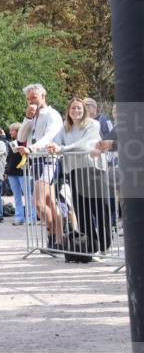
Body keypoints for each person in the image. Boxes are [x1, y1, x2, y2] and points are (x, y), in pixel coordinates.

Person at [48, 98, 110, 254]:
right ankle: (90, 246)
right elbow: (55, 141)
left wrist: (61, 149)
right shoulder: (65, 127)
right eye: (73, 108)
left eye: (79, 108)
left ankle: (105, 245)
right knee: (82, 211)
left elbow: (85, 144)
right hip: (75, 171)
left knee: (100, 209)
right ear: (68, 111)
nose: (76, 111)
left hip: (93, 169)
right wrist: (52, 146)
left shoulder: (93, 125)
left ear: (84, 110)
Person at [17, 83, 65, 247]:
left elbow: (49, 136)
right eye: (29, 99)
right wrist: (28, 118)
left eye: (34, 98)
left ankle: (55, 236)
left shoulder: (52, 114)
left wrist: (32, 148)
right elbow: (21, 136)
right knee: (50, 202)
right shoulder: (34, 116)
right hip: (35, 160)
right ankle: (57, 239)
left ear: (43, 96)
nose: (31, 102)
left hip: (48, 159)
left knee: (38, 203)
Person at [5, 123, 31, 225]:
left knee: (28, 195)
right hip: (12, 172)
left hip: (23, 171)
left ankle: (31, 217)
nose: (10, 132)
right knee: (17, 196)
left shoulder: (26, 142)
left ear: (18, 131)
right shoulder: (11, 142)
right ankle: (19, 217)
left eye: (12, 130)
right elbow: (9, 159)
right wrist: (6, 171)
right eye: (10, 130)